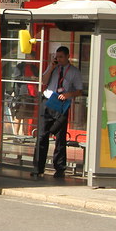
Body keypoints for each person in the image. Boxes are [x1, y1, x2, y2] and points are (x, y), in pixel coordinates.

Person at [32, 45, 84, 179]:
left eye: (61, 57)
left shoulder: (74, 72)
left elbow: (79, 90)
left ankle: (59, 168)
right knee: (42, 136)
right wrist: (51, 67)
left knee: (60, 138)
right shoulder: (53, 69)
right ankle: (38, 167)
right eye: (57, 57)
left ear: (67, 57)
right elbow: (43, 81)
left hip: (61, 104)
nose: (59, 59)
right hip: (48, 101)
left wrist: (68, 95)